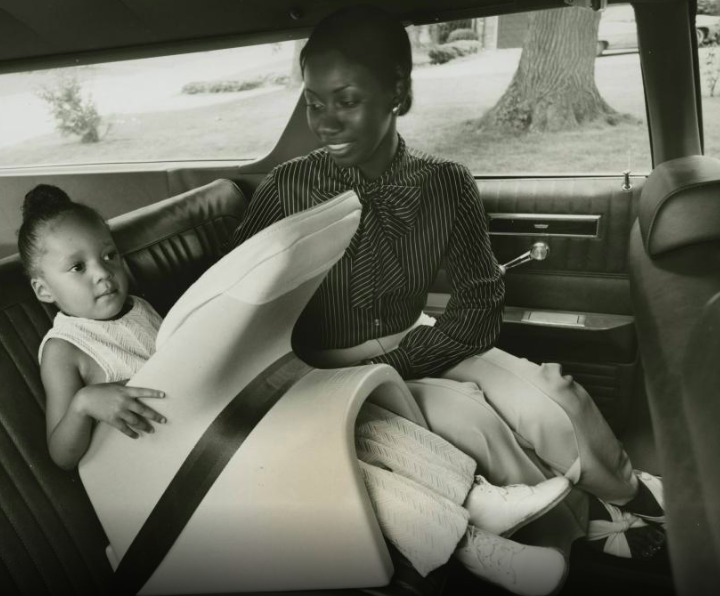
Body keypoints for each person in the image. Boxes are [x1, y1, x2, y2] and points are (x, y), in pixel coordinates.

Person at [229, 3, 666, 564]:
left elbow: (480, 304)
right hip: (330, 368)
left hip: (421, 340)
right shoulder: (287, 188)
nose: (326, 122)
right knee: (474, 422)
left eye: (348, 101)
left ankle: (633, 494)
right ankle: (583, 526)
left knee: (553, 396)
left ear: (398, 94)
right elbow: (231, 294)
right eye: (315, 103)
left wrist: (408, 357)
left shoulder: (445, 182)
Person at [20, 184, 574, 596]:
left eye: (109, 255)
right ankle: (477, 550)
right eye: (78, 266)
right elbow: (62, 452)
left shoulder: (138, 309)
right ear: (43, 288)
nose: (103, 273)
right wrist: (88, 403)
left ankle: (478, 497)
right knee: (334, 469)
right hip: (172, 488)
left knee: (355, 425)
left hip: (216, 439)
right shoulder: (65, 349)